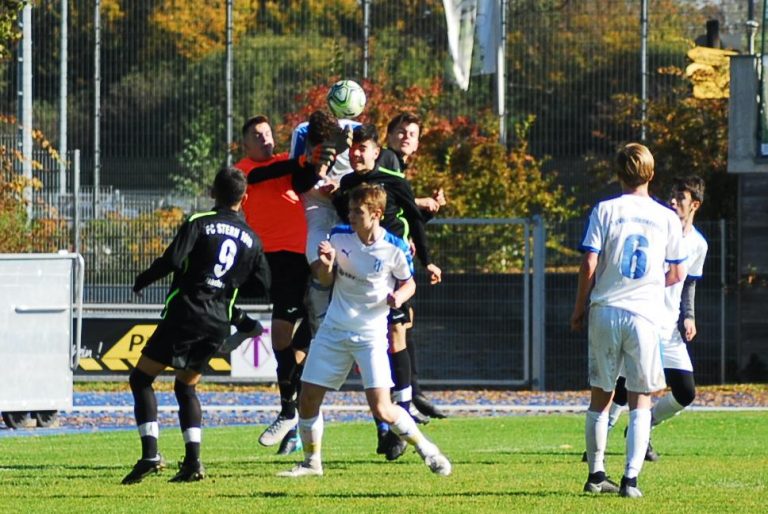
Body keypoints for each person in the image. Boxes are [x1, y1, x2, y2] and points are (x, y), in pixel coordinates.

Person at [277, 183, 451, 478]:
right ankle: (311, 463)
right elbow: (324, 278)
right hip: (334, 329)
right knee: (307, 399)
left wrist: (400, 296)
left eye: (358, 212)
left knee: (383, 409)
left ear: (377, 214)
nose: (352, 217)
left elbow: (409, 282)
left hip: (370, 334)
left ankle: (428, 450)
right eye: (350, 211)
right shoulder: (339, 236)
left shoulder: (394, 248)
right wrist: (325, 265)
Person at [122, 167, 271, 484]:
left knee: (141, 379)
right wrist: (226, 285)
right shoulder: (253, 239)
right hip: (217, 322)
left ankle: (150, 455)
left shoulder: (199, 223)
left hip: (186, 313)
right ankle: (193, 462)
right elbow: (263, 285)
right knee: (185, 386)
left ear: (212, 193)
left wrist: (144, 279)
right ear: (244, 198)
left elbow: (174, 260)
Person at [570, 143, 686, 498]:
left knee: (600, 397)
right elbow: (678, 270)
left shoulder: (605, 209)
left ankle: (595, 475)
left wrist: (579, 307)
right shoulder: (667, 217)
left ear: (618, 173)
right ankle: (630, 480)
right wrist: (650, 284)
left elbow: (589, 263)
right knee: (641, 400)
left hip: (605, 308)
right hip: (645, 315)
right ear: (651, 174)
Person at [333, 124, 442, 460]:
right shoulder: (347, 187)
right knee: (372, 347)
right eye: (352, 148)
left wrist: (427, 261)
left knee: (396, 338)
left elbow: (415, 219)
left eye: (362, 148)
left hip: (393, 270)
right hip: (359, 278)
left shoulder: (395, 182)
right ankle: (384, 428)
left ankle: (403, 412)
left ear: (376, 152)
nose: (356, 153)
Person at [591, 175, 708, 462]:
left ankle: (642, 428)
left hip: (668, 327)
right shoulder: (657, 225)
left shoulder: (698, 244)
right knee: (623, 384)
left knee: (685, 391)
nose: (672, 201)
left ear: (695, 204)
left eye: (680, 198)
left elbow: (688, 281)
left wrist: (689, 316)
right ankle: (600, 442)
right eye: (672, 195)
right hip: (641, 316)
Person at [232, 115, 312, 453]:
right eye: (257, 135)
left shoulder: (289, 163)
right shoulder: (244, 170)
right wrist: (303, 160)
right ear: (246, 144)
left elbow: (307, 177)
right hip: (268, 261)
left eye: (268, 133)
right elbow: (267, 175)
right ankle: (291, 412)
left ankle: (290, 412)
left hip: (304, 258)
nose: (265, 139)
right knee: (282, 337)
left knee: (296, 339)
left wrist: (320, 155)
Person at [378, 112, 447, 421]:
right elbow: (390, 204)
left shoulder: (398, 168)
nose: (406, 136)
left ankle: (409, 393)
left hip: (396, 259)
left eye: (412, 133)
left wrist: (424, 210)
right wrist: (419, 203)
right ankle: (403, 398)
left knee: (402, 328)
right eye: (401, 131)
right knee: (394, 331)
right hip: (383, 260)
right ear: (389, 136)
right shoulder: (388, 161)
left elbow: (403, 219)